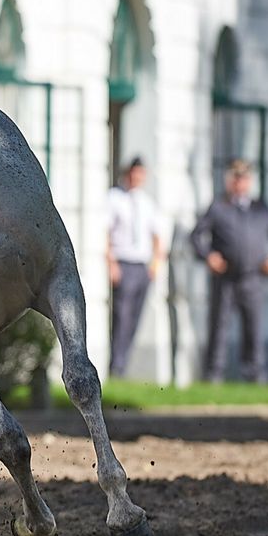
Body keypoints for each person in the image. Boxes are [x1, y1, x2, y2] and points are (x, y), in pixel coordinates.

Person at [190, 158, 268, 384]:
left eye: (243, 178)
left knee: (253, 331)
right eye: (235, 177)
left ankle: (256, 377)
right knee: (219, 330)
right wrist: (209, 256)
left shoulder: (261, 209)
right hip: (225, 279)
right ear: (228, 180)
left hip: (253, 279)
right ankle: (213, 376)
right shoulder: (218, 207)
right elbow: (196, 237)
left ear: (249, 181)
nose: (239, 182)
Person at [105, 157, 165, 378]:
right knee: (123, 316)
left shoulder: (146, 202)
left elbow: (157, 234)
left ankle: (124, 363)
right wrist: (111, 263)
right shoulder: (114, 198)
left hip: (142, 265)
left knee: (135, 318)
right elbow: (107, 233)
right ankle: (117, 367)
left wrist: (156, 263)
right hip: (124, 262)